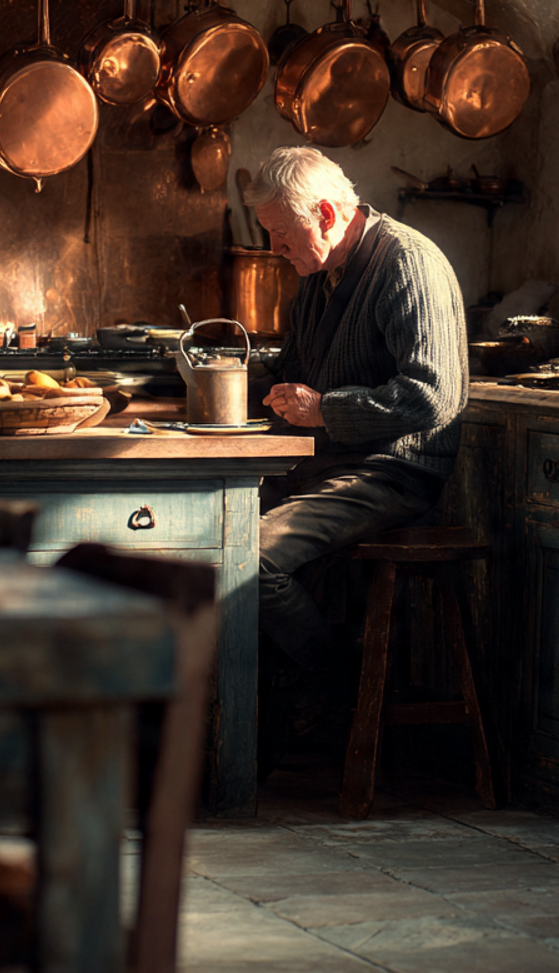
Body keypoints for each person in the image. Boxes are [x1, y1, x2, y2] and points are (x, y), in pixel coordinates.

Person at [245, 147, 468, 739]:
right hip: (329, 464)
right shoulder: (319, 275)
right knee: (206, 536)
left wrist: (324, 410)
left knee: (248, 556)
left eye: (281, 233)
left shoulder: (408, 264)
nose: (274, 248)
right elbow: (293, 370)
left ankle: (344, 687)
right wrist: (217, 382)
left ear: (325, 213)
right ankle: (259, 717)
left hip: (392, 471)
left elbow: (433, 396)